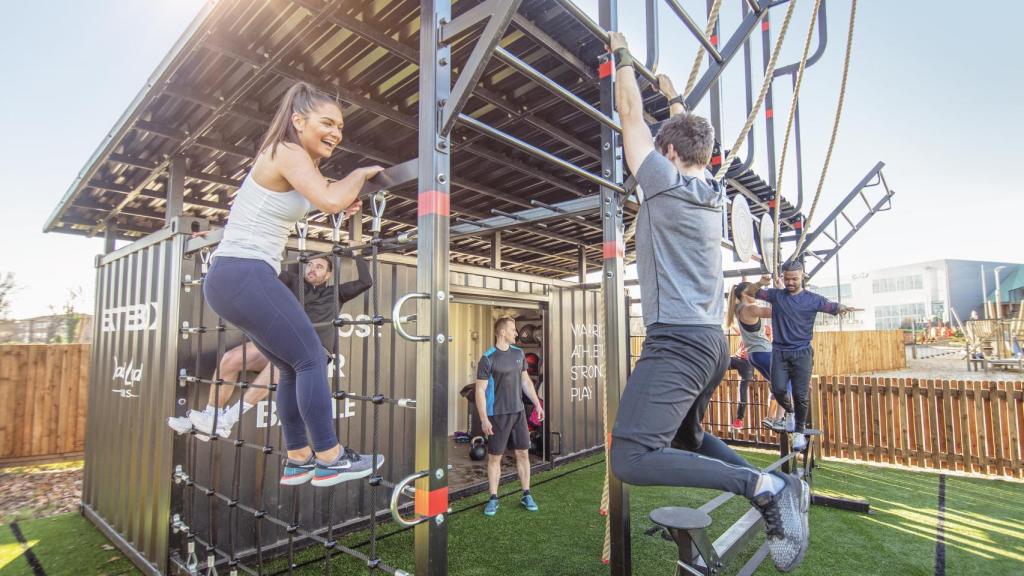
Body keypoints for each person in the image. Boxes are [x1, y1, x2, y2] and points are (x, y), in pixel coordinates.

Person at [605, 32, 809, 572]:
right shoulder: (713, 190)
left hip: (677, 342)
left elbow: (629, 114)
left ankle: (762, 486)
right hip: (711, 343)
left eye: (662, 146)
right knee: (689, 437)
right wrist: (673, 99)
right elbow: (686, 133)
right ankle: (781, 482)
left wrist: (620, 54)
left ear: (668, 153)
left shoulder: (664, 182)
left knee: (629, 457)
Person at [203, 81, 384, 488]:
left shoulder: (294, 160)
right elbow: (330, 200)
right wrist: (357, 175)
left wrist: (341, 194)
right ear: (298, 120)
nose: (337, 133)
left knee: (288, 366)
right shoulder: (286, 150)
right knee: (311, 360)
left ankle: (299, 459)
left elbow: (325, 198)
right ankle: (331, 457)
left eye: (340, 126)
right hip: (244, 272)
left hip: (233, 278)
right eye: (328, 123)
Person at [168, 255, 371, 439]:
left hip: (314, 352)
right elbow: (265, 269)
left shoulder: (337, 293)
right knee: (231, 358)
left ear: (328, 275)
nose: (312, 269)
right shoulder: (294, 282)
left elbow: (365, 282)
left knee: (278, 367)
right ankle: (211, 418)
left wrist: (357, 256)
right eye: (309, 265)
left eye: (319, 267)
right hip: (282, 341)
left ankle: (226, 421)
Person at [745, 261, 859, 451]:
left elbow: (831, 306)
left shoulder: (812, 299)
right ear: (782, 278)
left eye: (794, 279)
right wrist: (761, 282)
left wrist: (842, 307)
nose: (790, 282)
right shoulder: (776, 296)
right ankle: (789, 412)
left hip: (802, 353)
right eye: (787, 279)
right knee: (778, 389)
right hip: (780, 352)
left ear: (802, 277)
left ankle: (799, 432)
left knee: (800, 394)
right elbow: (751, 293)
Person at [475, 317, 545, 516]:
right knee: (495, 458)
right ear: (502, 332)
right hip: (497, 415)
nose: (516, 333)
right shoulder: (488, 358)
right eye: (513, 330)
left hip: (518, 412)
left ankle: (526, 493)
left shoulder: (519, 353)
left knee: (523, 453)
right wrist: (483, 418)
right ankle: (493, 498)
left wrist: (537, 404)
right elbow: (480, 390)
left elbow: (525, 381)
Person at [727, 282, 790, 431]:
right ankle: (779, 419)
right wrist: (781, 291)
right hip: (764, 352)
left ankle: (770, 417)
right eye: (754, 292)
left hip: (754, 356)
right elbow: (780, 311)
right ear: (743, 295)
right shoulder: (751, 309)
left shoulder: (737, 309)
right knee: (787, 382)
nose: (758, 294)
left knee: (776, 385)